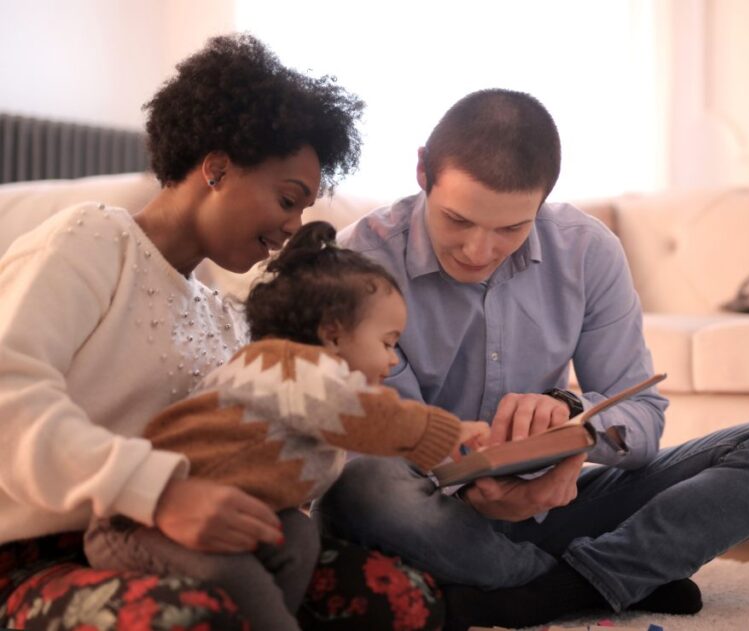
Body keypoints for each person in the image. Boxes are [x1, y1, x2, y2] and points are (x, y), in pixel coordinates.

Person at [314, 88, 749, 630]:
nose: (479, 250)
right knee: (362, 485)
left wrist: (574, 428)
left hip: (553, 504)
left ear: (543, 201)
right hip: (427, 511)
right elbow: (382, 435)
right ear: (422, 171)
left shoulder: (587, 250)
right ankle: (607, 578)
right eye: (458, 220)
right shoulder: (356, 263)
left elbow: (644, 420)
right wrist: (472, 486)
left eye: (511, 228)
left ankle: (549, 590)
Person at [0, 33, 445, 631]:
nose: (294, 227)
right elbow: (9, 398)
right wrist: (161, 493)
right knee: (200, 616)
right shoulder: (92, 241)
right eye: (288, 200)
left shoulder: (225, 314)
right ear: (216, 167)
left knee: (400, 598)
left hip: (185, 546)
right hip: (32, 553)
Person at [83, 220, 490, 631]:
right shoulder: (290, 369)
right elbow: (366, 414)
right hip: (134, 526)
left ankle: (275, 617)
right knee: (237, 578)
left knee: (296, 534)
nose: (391, 360)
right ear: (332, 335)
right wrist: (443, 432)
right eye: (387, 343)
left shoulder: (289, 379)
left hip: (219, 518)